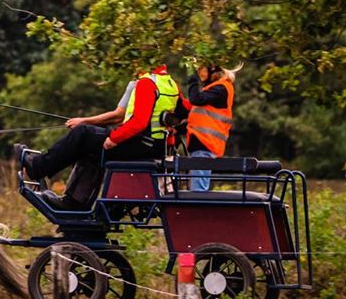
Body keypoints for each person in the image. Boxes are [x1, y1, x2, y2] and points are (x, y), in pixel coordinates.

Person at [16, 65, 181, 210]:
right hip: (152, 145)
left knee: (83, 134)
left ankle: (37, 167)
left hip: (140, 143)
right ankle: (74, 202)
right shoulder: (170, 84)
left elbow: (138, 122)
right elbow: (182, 112)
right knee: (90, 147)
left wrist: (114, 138)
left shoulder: (146, 82)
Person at [185, 63, 238, 191]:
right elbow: (200, 116)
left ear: (213, 69)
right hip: (203, 144)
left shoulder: (221, 88)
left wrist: (192, 81)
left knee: (198, 192)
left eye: (201, 69)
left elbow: (196, 99)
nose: (199, 73)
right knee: (196, 189)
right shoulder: (214, 89)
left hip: (205, 144)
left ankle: (198, 211)